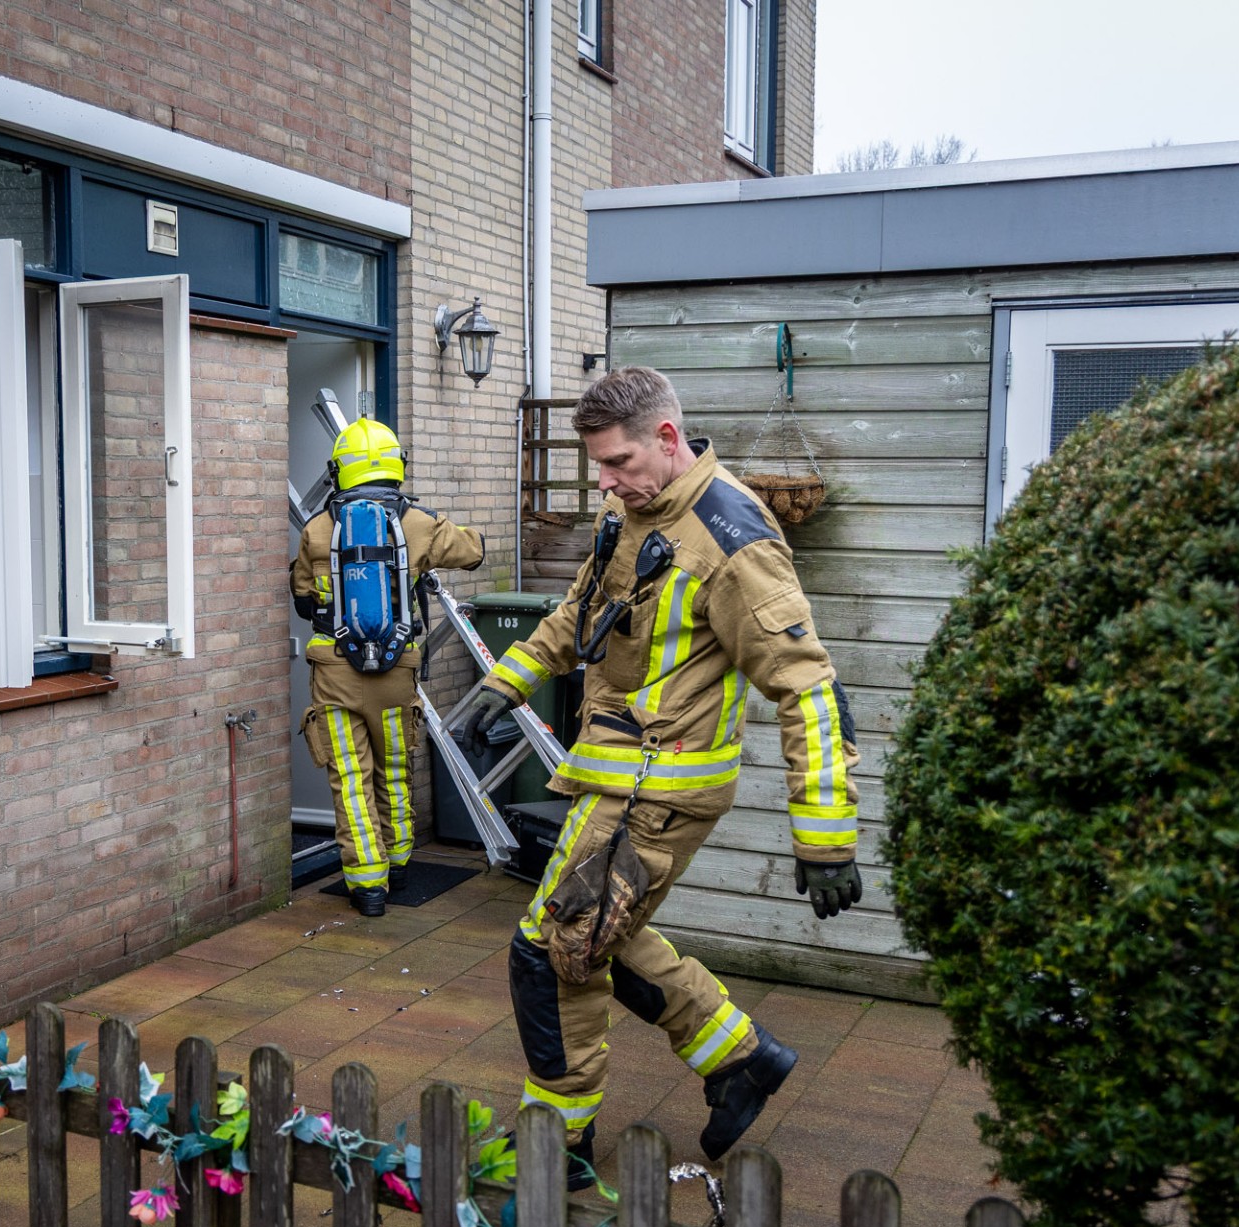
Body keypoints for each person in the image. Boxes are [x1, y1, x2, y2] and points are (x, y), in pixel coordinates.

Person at [461, 366, 860, 1182]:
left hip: (662, 788)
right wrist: (504, 682)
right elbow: (579, 611)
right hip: (613, 769)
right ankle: (742, 1057)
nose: (604, 482)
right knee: (597, 934)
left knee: (553, 949)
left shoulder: (734, 541)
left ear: (668, 439)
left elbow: (807, 684)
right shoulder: (630, 504)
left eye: (618, 463)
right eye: (599, 466)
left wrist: (826, 834)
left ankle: (557, 1145)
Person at [293, 418, 485, 917]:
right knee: (395, 773)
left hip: (334, 675)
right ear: (395, 465)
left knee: (350, 780)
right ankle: (398, 866)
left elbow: (299, 597)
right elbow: (473, 552)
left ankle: (367, 887)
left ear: (341, 469)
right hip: (399, 671)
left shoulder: (317, 528)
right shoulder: (418, 524)